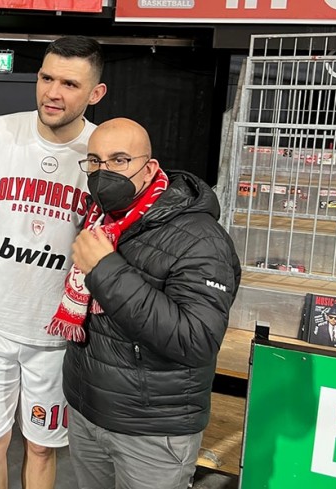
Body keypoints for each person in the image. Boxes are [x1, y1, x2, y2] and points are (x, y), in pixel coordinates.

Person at [0, 36, 107, 488]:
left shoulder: (101, 154)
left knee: (41, 449)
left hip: (56, 336)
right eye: (46, 78)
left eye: (70, 84)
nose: (53, 92)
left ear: (95, 93)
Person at [60, 118, 241, 489]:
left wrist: (105, 269)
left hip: (152, 433)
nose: (103, 173)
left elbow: (196, 339)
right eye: (94, 161)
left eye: (119, 160)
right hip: (86, 412)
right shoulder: (99, 220)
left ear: (149, 168)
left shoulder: (202, 240)